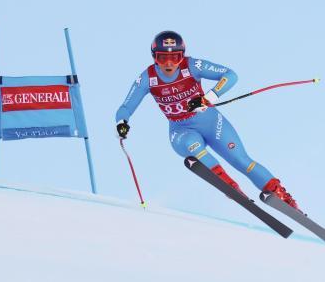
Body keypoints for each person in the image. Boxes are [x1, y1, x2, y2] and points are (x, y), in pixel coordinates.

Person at [115, 31, 299, 210]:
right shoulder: (147, 78)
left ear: (183, 56)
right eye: (163, 58)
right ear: (154, 57)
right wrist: (122, 123)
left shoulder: (192, 65)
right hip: (181, 130)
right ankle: (229, 186)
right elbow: (125, 107)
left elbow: (230, 75)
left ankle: (281, 195)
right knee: (190, 144)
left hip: (211, 123)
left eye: (176, 57)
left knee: (240, 160)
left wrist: (208, 97)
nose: (169, 64)